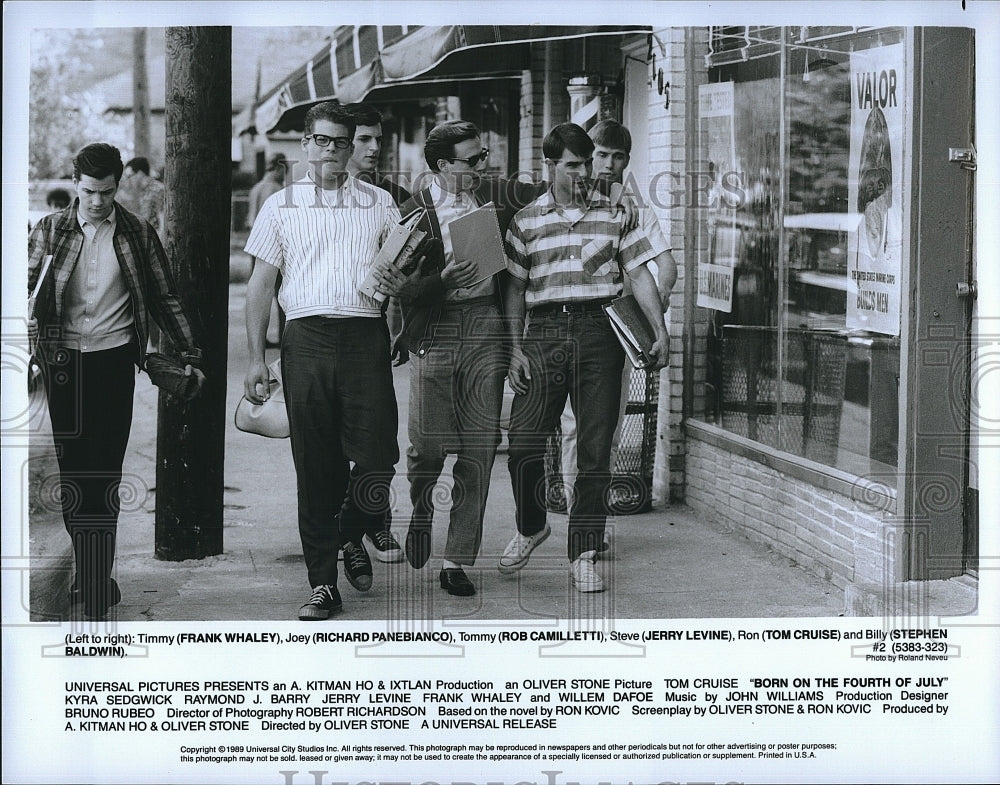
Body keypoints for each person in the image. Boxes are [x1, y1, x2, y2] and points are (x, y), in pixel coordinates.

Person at [243, 101, 412, 620]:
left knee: (379, 457)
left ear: (350, 144)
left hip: (364, 337)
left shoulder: (382, 204)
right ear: (306, 143)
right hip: (306, 339)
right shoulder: (280, 206)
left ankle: (345, 534)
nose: (332, 151)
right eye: (322, 140)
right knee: (316, 465)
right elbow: (261, 286)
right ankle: (323, 584)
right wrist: (256, 358)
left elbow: (397, 274)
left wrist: (398, 303)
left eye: (341, 141)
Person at [27, 142, 204, 619]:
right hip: (63, 364)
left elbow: (164, 296)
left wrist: (188, 352)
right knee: (73, 478)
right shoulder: (49, 230)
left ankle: (93, 579)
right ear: (76, 185)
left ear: (117, 184)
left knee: (103, 474)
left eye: (106, 192)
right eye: (89, 192)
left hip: (113, 362)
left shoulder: (135, 232)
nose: (98, 202)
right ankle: (92, 569)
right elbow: (25, 291)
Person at [501, 122, 668, 593]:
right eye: (572, 165)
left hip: (600, 332)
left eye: (586, 163)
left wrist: (659, 330)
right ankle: (532, 524)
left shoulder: (616, 213)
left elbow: (638, 273)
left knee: (596, 448)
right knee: (523, 441)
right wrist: (514, 348)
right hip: (546, 331)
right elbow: (514, 289)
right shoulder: (526, 220)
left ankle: (585, 551)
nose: (583, 173)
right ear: (550, 165)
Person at [389, 120, 544, 596]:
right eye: (473, 159)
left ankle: (457, 559)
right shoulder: (413, 213)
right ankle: (420, 509)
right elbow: (396, 287)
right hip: (435, 331)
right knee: (427, 446)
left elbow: (551, 187)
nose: (483, 165)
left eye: (484, 156)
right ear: (442, 166)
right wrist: (442, 282)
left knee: (478, 450)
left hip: (485, 327)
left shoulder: (493, 201)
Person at [558, 120, 677, 528]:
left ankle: (590, 516)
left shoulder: (633, 206)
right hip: (573, 324)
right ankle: (581, 512)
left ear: (628, 160)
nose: (607, 164)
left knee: (599, 428)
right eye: (600, 154)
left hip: (615, 331)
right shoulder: (577, 199)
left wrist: (646, 321)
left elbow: (667, 268)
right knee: (577, 426)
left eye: (617, 156)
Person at [247, 152, 289, 347]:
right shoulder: (275, 189)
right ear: (280, 168)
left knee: (260, 290)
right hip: (273, 245)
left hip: (255, 244)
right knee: (281, 291)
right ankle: (283, 335)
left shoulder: (256, 188)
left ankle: (259, 337)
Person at [345, 103, 412, 205]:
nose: (375, 147)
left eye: (378, 140)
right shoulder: (321, 191)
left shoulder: (398, 196)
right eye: (364, 139)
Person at [116, 156, 165, 237]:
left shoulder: (158, 190)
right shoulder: (144, 192)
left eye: (129, 176)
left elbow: (163, 223)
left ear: (140, 173)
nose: (128, 181)